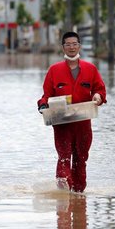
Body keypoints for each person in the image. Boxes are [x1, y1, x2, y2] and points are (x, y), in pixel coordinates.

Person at [37, 31, 106, 193]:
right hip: (62, 125)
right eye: (68, 44)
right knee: (64, 158)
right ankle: (62, 200)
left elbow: (100, 90)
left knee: (81, 160)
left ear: (79, 46)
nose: (71, 47)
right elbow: (46, 96)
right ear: (63, 47)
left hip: (83, 123)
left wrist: (97, 97)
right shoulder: (54, 70)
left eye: (74, 44)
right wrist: (43, 106)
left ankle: (78, 196)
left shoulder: (90, 69)